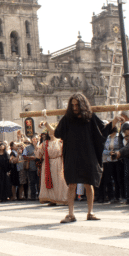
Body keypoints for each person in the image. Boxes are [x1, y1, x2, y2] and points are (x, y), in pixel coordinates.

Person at [54, 93, 120, 223]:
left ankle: (90, 212)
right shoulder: (67, 118)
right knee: (72, 184)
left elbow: (103, 131)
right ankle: (71, 214)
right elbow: (57, 133)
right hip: (72, 155)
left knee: (88, 183)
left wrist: (115, 121)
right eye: (72, 105)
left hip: (88, 154)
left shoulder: (90, 117)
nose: (74, 107)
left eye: (77, 104)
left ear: (82, 104)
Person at [34, 122, 68, 205]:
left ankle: (61, 199)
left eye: (52, 131)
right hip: (48, 164)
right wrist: (35, 146)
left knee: (59, 181)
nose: (51, 133)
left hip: (59, 163)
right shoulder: (45, 143)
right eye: (49, 132)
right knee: (51, 181)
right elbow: (38, 155)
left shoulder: (61, 142)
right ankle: (52, 200)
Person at [98, 127, 121, 203]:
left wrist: (116, 152)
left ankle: (118, 196)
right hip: (109, 160)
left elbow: (122, 147)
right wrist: (109, 153)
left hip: (118, 159)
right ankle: (111, 197)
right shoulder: (107, 138)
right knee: (109, 179)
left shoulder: (119, 137)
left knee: (118, 178)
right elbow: (103, 149)